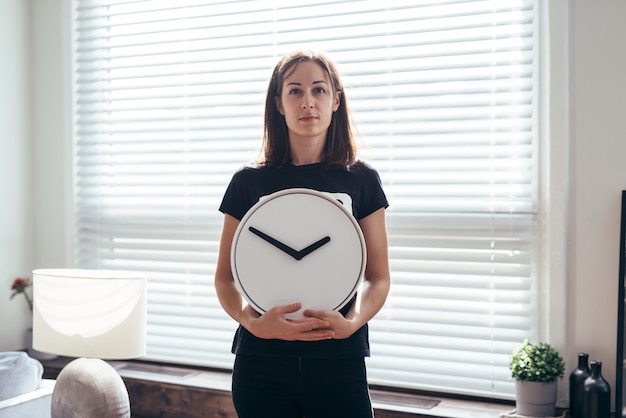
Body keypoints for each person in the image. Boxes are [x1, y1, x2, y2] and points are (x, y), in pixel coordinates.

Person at [214, 50, 391, 418]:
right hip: (260, 363)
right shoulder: (247, 183)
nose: (307, 102)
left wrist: (352, 323)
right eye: (294, 91)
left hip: (338, 360)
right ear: (278, 103)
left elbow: (379, 277)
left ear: (336, 100)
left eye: (319, 90)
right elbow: (225, 278)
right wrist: (254, 323)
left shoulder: (361, 181)